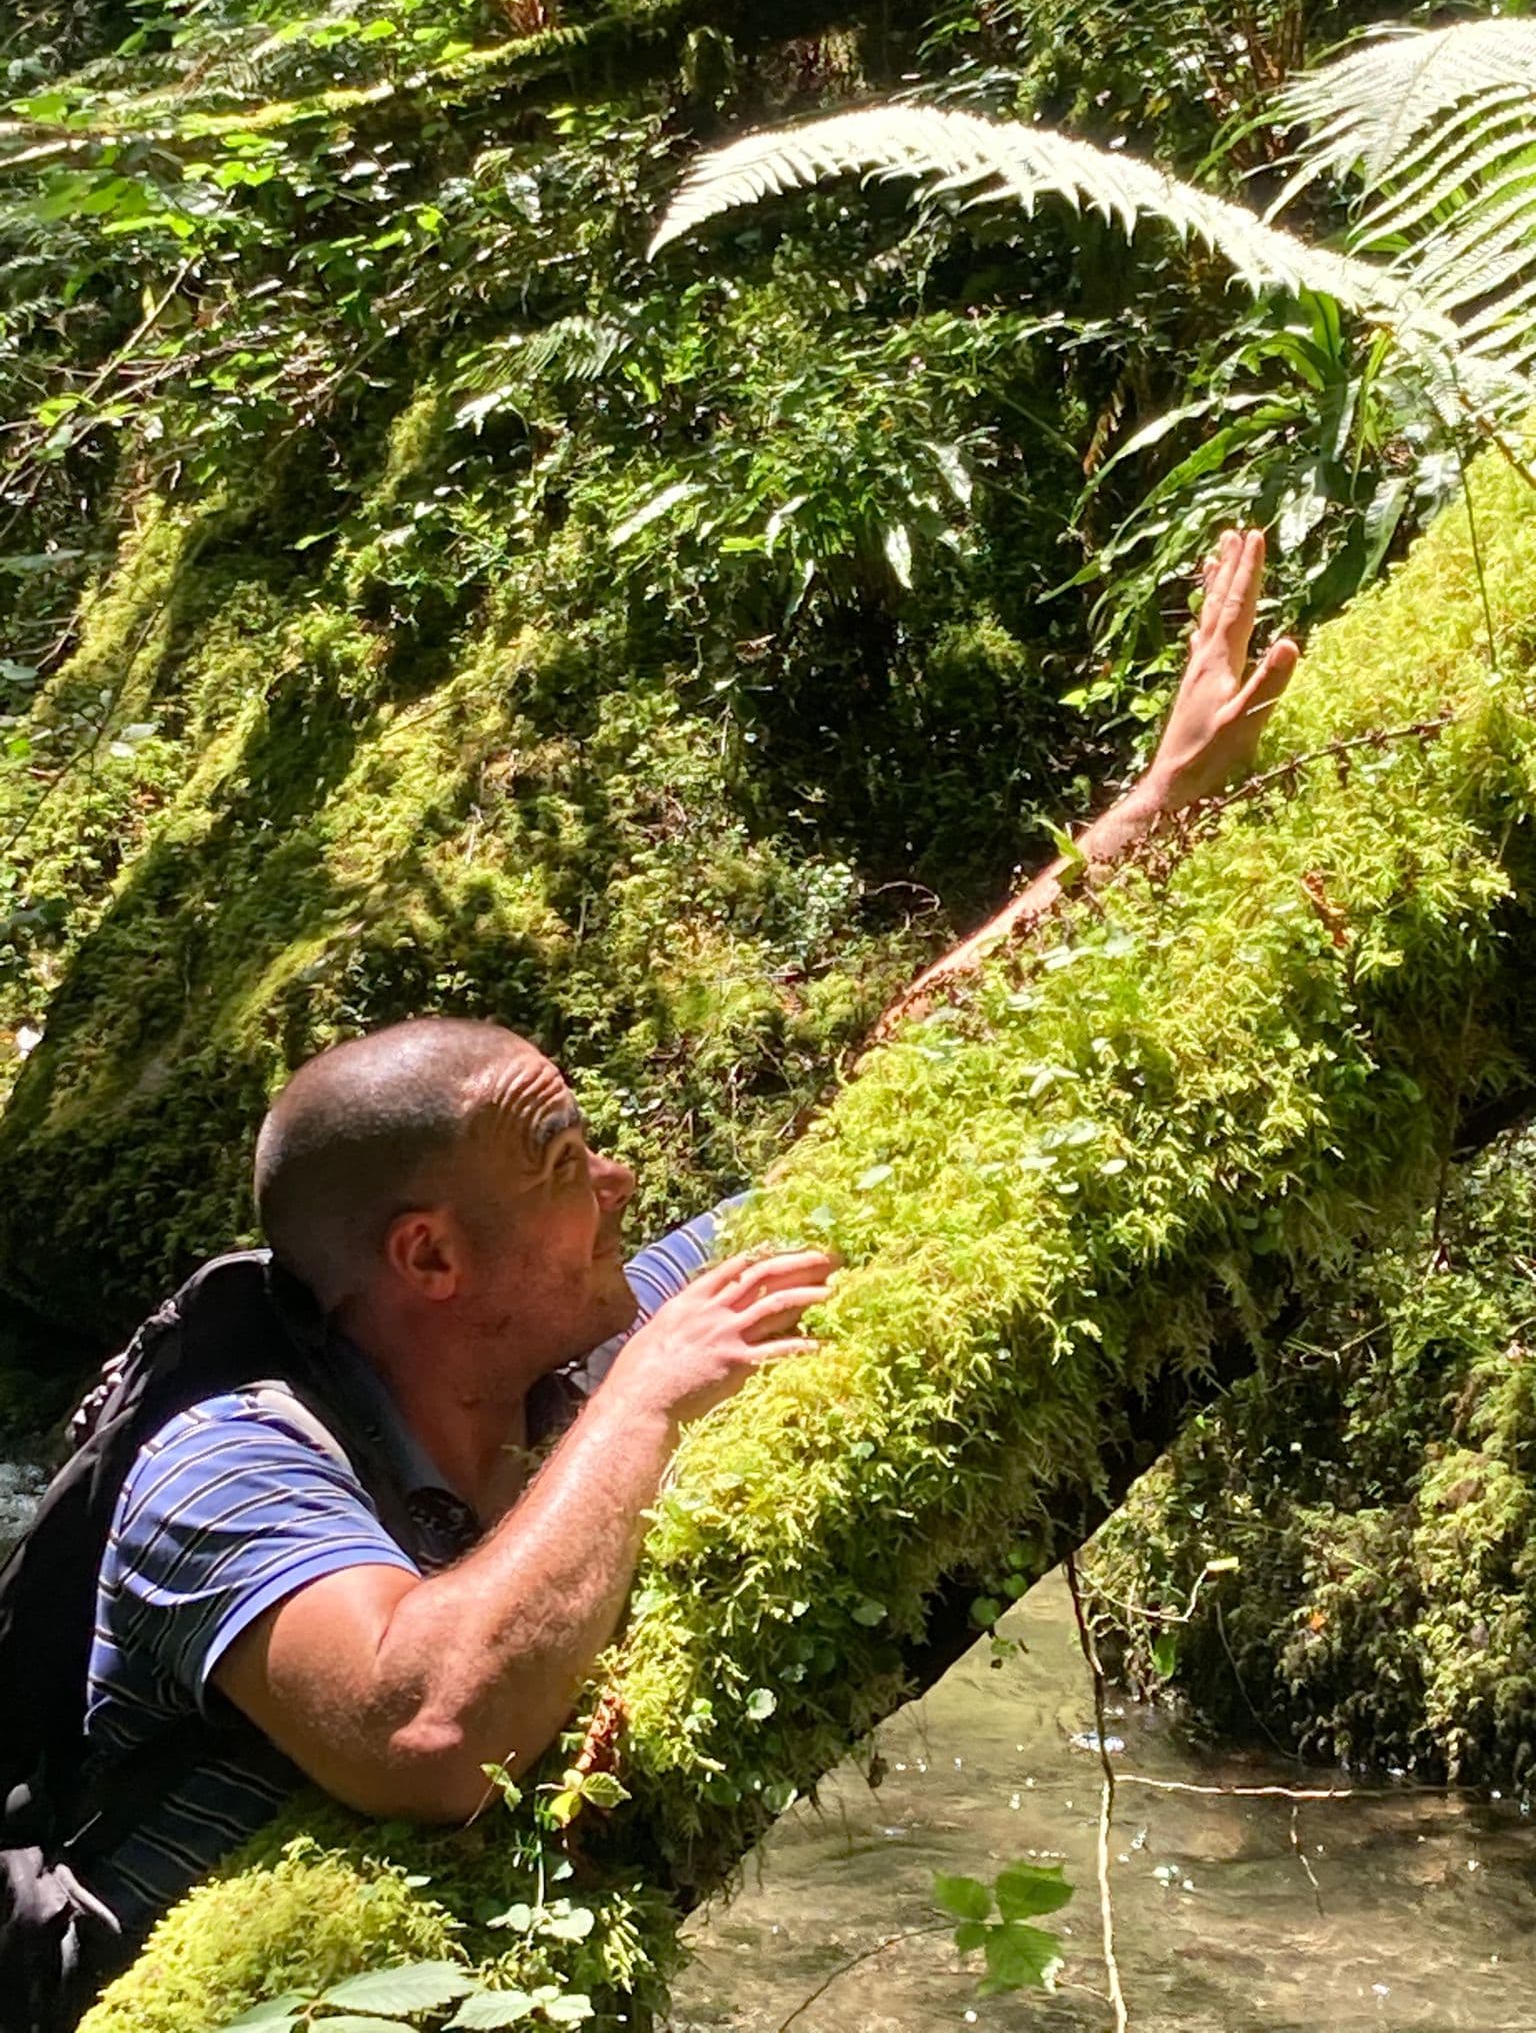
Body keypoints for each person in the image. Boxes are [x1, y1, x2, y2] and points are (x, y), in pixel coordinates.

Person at [64, 529, 1296, 1995]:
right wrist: (644, 1405)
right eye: (562, 1158)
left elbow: (886, 1118)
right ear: (429, 1257)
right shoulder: (219, 1467)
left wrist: (1154, 807)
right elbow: (428, 1737)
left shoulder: (562, 1349)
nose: (620, 1178)